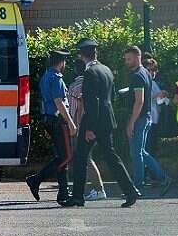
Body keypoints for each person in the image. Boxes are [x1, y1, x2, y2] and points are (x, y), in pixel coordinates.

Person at [67, 39, 138, 208]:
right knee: (111, 156)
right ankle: (130, 190)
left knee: (80, 157)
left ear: (82, 55)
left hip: (94, 119)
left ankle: (77, 196)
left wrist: (90, 127)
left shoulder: (89, 72)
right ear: (96, 53)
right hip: (107, 118)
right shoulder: (106, 70)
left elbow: (91, 101)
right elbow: (109, 97)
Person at [25, 50, 77, 205]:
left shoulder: (45, 76)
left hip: (49, 119)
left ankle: (63, 193)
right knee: (66, 156)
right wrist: (71, 123)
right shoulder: (56, 78)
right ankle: (36, 179)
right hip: (58, 120)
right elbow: (59, 102)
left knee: (61, 156)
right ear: (61, 62)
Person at [123, 46, 170, 196]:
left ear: (138, 57)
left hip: (139, 118)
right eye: (125, 59)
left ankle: (136, 187)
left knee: (136, 153)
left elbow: (139, 101)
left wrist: (131, 122)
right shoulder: (145, 73)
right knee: (140, 151)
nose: (126, 62)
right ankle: (163, 178)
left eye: (129, 59)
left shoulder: (137, 75)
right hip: (146, 117)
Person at [67, 66, 107, 201]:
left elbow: (80, 108)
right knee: (86, 158)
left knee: (85, 159)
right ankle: (92, 190)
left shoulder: (75, 86)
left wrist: (76, 127)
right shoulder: (91, 83)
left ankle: (98, 189)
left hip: (79, 126)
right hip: (87, 125)